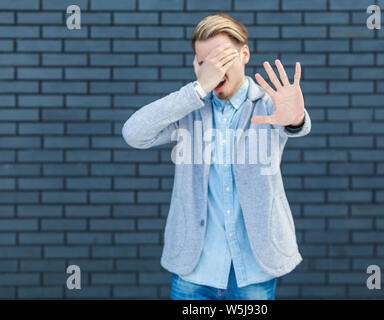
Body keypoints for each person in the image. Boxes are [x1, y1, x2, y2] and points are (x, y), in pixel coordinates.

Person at [122, 12, 312, 300]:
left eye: (222, 60)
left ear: (244, 54)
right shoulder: (188, 108)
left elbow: (296, 124)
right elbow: (133, 133)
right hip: (195, 269)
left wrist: (296, 118)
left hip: (254, 270)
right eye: (203, 63)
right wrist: (198, 88)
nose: (214, 70)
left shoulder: (267, 105)